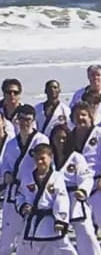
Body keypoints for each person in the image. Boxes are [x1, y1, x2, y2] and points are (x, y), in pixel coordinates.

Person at [0, 104, 50, 253]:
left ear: (34, 120)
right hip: (13, 193)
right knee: (7, 235)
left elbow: (46, 165)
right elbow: (5, 166)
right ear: (17, 121)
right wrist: (6, 174)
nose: (24, 123)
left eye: (28, 119)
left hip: (32, 191)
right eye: (21, 119)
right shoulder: (11, 144)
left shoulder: (41, 140)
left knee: (29, 236)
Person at [48, 123, 101, 255]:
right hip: (56, 200)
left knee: (87, 233)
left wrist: (83, 190)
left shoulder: (76, 157)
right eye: (58, 138)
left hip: (75, 198)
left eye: (64, 138)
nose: (61, 141)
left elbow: (86, 177)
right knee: (57, 237)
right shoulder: (49, 159)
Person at [15, 142, 77, 255]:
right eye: (37, 159)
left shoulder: (57, 177)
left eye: (43, 158)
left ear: (51, 157)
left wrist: (61, 219)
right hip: (33, 223)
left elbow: (61, 198)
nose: (39, 162)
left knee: (66, 250)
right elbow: (20, 195)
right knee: (24, 250)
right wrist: (23, 206)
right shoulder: (27, 177)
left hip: (52, 223)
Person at [70, 100, 101, 237]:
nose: (80, 118)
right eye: (77, 115)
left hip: (99, 187)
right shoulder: (70, 137)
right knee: (86, 231)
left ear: (91, 117)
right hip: (79, 190)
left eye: (84, 115)